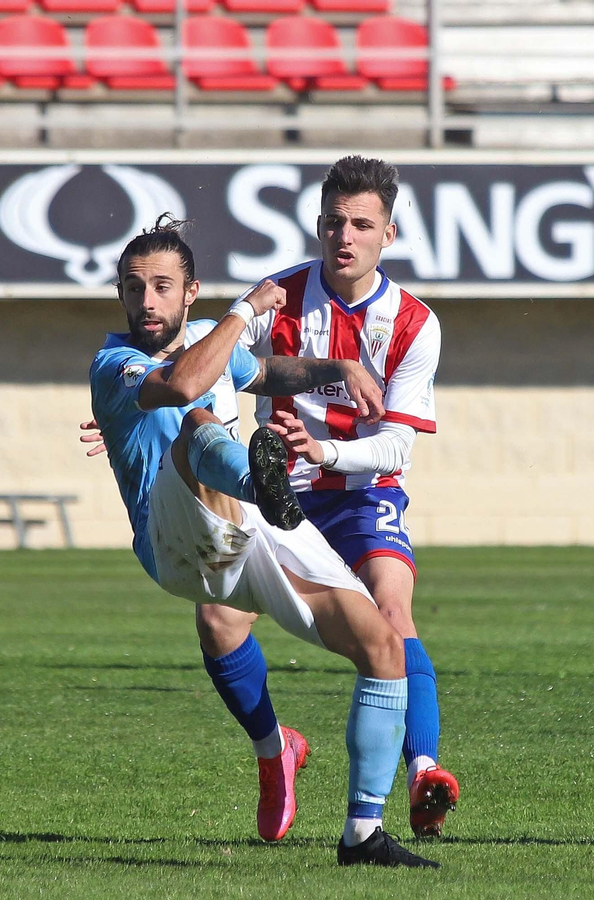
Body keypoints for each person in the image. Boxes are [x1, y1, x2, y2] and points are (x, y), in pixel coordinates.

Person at [89, 217, 439, 867]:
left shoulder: (209, 343)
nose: (147, 303)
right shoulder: (117, 364)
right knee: (198, 424)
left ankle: (363, 832)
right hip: (176, 540)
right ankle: (261, 478)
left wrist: (331, 368)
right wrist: (246, 309)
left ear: (189, 292)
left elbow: (264, 372)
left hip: (249, 528)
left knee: (383, 647)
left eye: (163, 287)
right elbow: (185, 386)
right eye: (134, 289)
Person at [207, 155, 459, 838]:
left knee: (393, 608)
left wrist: (324, 452)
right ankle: (274, 751)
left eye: (361, 224)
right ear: (318, 226)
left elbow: (397, 448)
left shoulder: (412, 323)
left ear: (389, 234)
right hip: (277, 495)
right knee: (216, 621)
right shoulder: (277, 299)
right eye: (332, 222)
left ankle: (424, 771)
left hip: (361, 494)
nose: (344, 236)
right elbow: (212, 370)